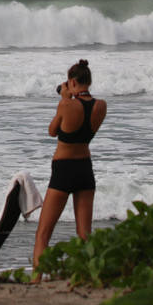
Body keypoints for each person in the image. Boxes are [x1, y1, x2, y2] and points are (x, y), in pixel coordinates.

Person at [32, 59, 107, 274]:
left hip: (63, 170)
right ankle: (88, 275)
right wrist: (72, 98)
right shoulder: (101, 106)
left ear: (72, 81)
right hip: (85, 168)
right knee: (84, 233)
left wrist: (64, 100)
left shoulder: (66, 105)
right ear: (89, 81)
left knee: (44, 232)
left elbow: (52, 130)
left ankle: (37, 278)